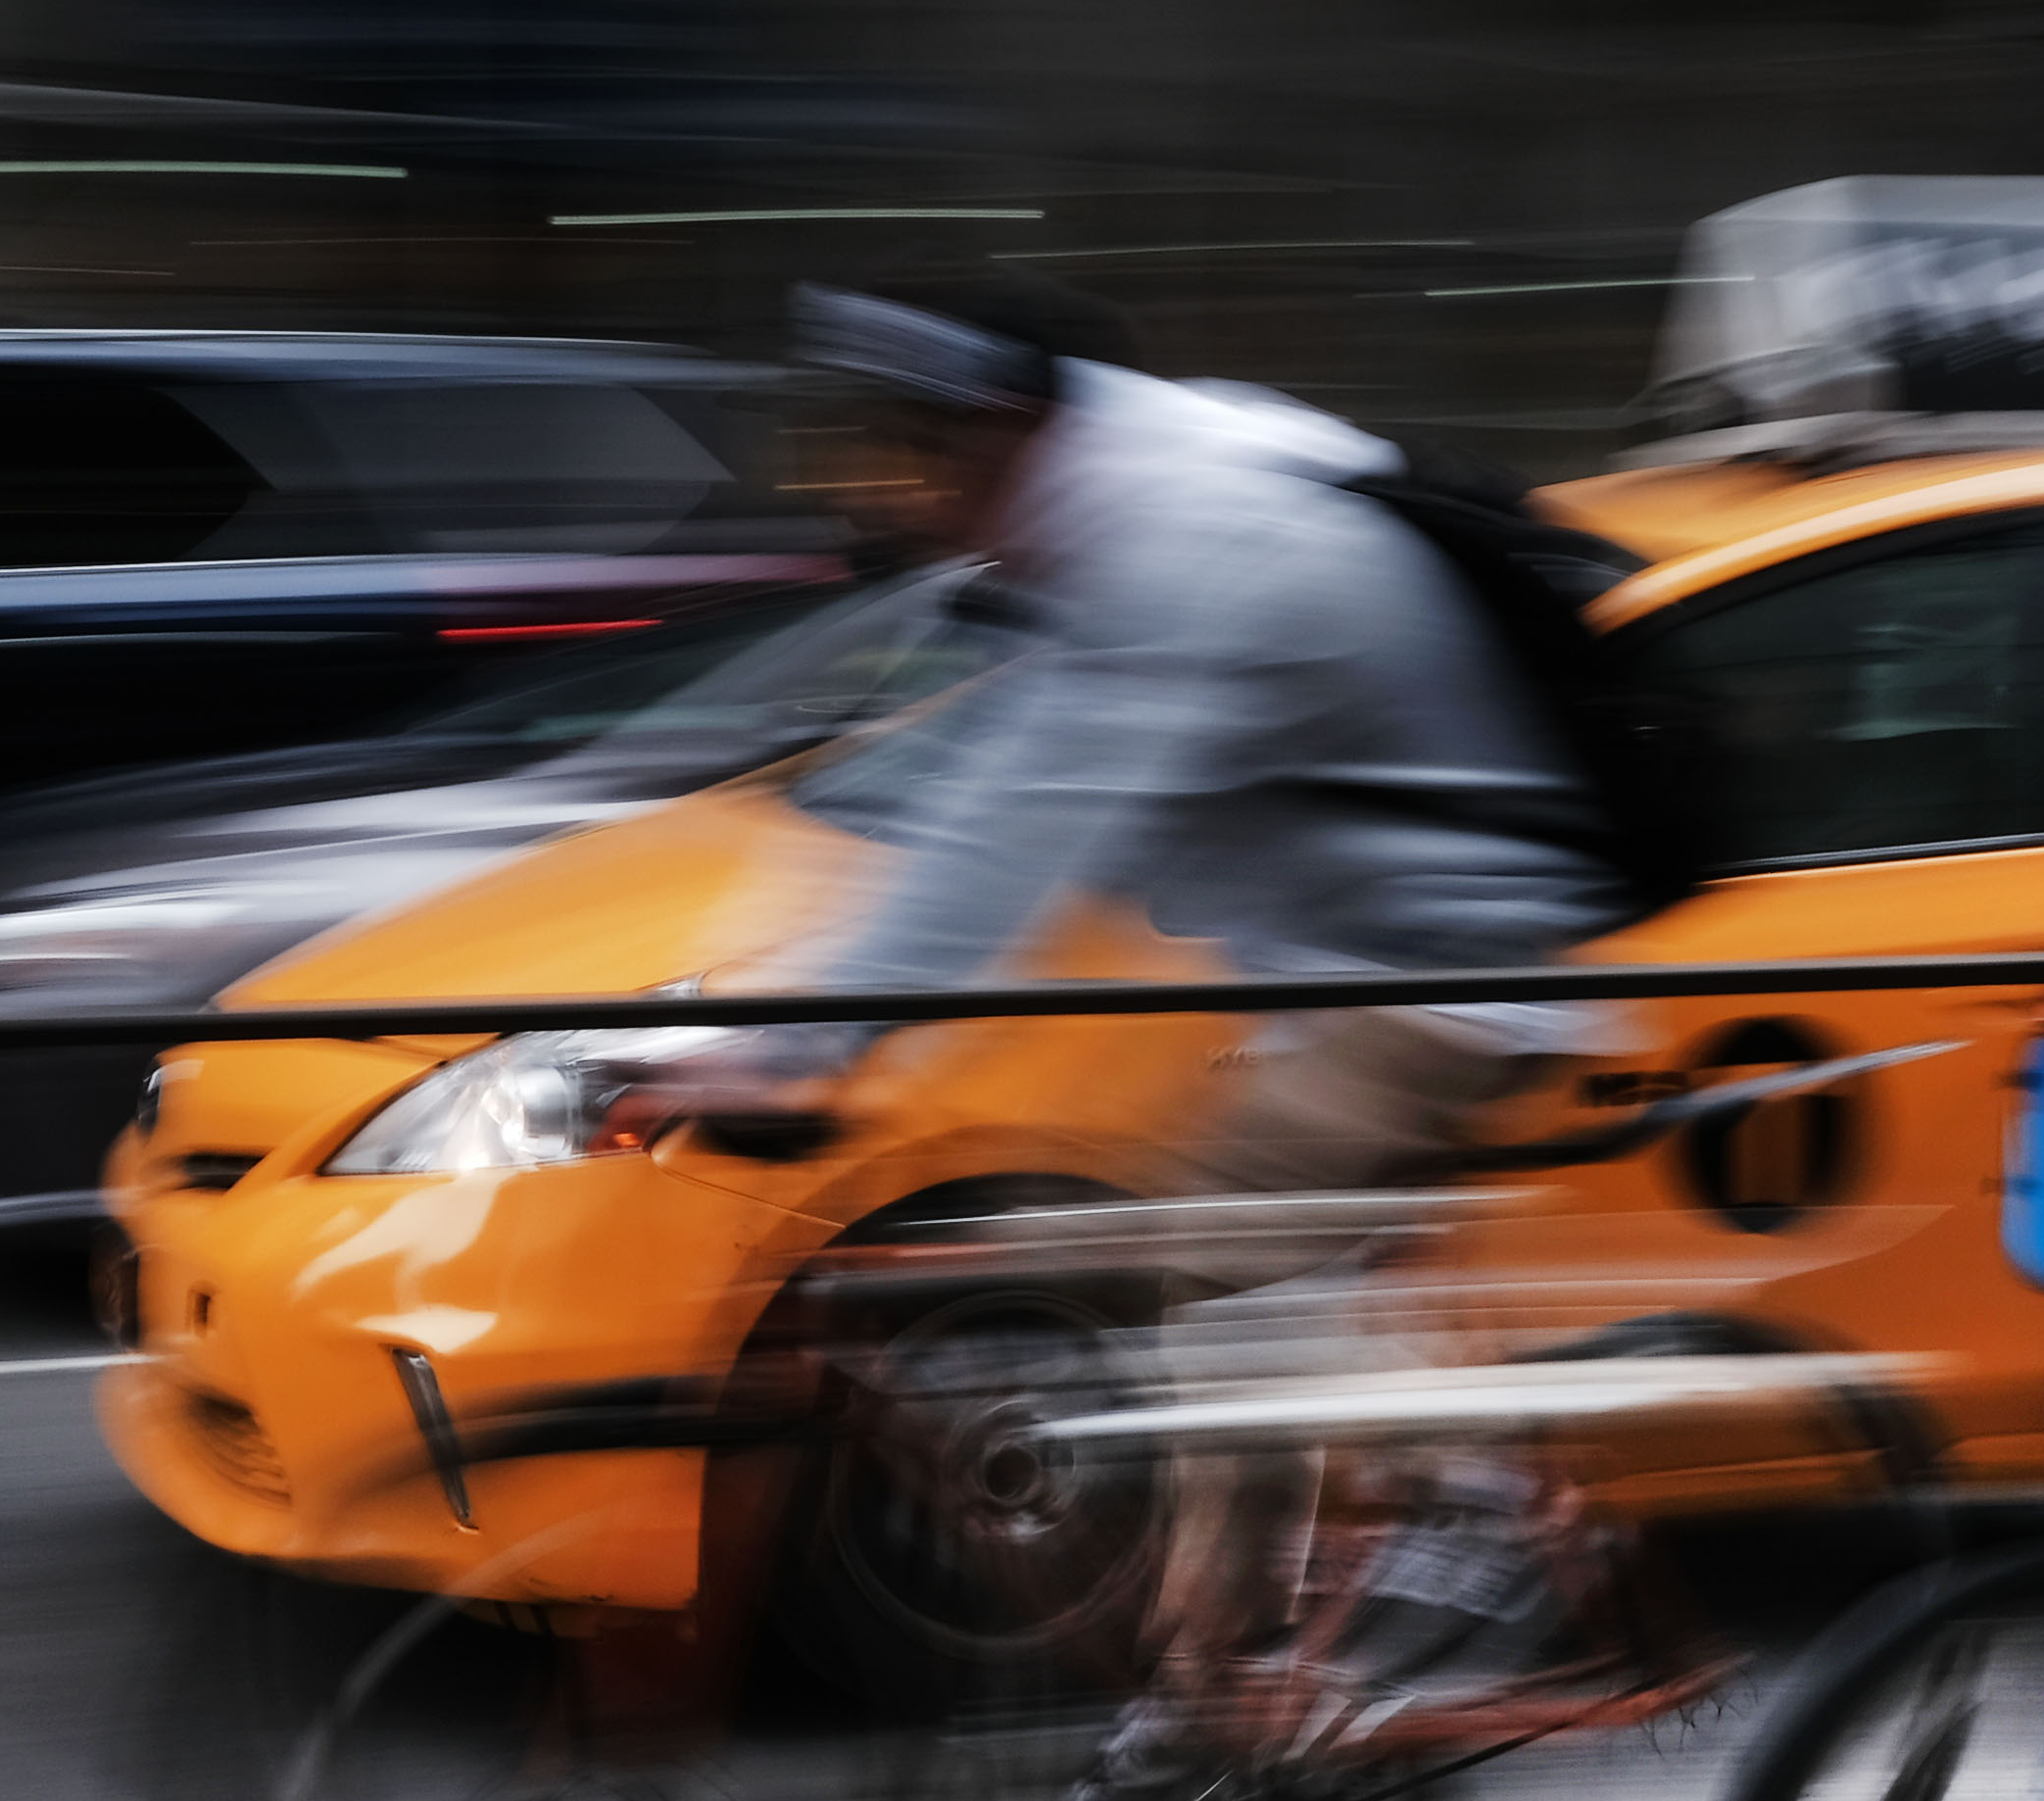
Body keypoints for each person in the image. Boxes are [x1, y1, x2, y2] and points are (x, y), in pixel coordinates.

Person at [627, 269, 1628, 1187]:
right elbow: (957, 799)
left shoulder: (1190, 538)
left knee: (1193, 1298)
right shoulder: (1131, 502)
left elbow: (1015, 823)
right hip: (1321, 976)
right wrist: (787, 1011)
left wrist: (800, 1043)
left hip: (1448, 986)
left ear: (1011, 430)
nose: (892, 499)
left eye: (913, 451)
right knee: (1129, 1254)